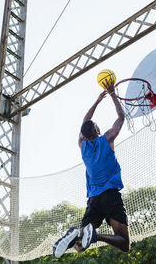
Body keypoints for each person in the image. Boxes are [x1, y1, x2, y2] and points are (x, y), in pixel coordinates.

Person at [52, 83, 130, 258]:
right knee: (124, 243)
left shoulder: (82, 146)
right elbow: (121, 117)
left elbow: (84, 123)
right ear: (97, 130)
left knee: (80, 247)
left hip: (93, 199)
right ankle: (97, 235)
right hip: (110, 195)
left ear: (85, 135)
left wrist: (96, 101)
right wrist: (112, 94)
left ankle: (75, 238)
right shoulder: (107, 138)